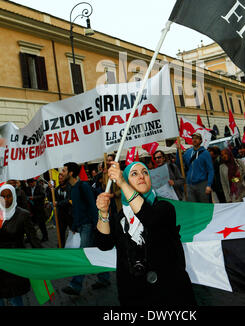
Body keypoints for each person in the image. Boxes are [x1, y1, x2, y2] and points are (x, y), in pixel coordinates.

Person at [95, 161, 197, 307]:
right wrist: (103, 213)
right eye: (134, 174)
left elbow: (149, 218)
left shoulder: (164, 207)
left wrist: (124, 184)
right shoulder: (121, 217)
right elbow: (103, 244)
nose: (141, 176)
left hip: (169, 293)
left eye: (145, 172)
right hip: (134, 294)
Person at [61, 162, 110, 296]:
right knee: (94, 253)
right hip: (81, 226)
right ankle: (104, 277)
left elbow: (93, 207)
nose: (62, 173)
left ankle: (75, 285)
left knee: (83, 255)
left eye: (64, 171)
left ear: (71, 173)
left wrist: (98, 226)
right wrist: (75, 226)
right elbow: (76, 209)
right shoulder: (72, 188)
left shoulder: (83, 186)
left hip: (89, 225)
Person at [0, 184, 41, 306]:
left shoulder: (23, 215)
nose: (6, 200)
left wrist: (45, 258)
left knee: (15, 298)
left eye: (9, 196)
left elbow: (34, 240)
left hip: (15, 263)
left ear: (14, 196)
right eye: (2, 196)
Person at [177, 131, 214, 203]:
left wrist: (209, 185)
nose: (194, 140)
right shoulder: (188, 152)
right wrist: (178, 151)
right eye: (193, 138)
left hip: (202, 184)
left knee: (204, 206)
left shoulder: (205, 153)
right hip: (189, 185)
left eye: (197, 138)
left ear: (201, 141)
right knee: (193, 206)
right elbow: (179, 164)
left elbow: (210, 170)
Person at [53, 172, 73, 247]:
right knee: (61, 232)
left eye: (62, 178)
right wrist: (50, 188)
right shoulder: (56, 189)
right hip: (61, 215)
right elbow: (51, 197)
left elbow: (69, 200)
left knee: (73, 231)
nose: (60, 180)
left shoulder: (70, 187)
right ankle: (61, 245)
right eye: (59, 179)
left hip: (70, 214)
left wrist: (58, 203)